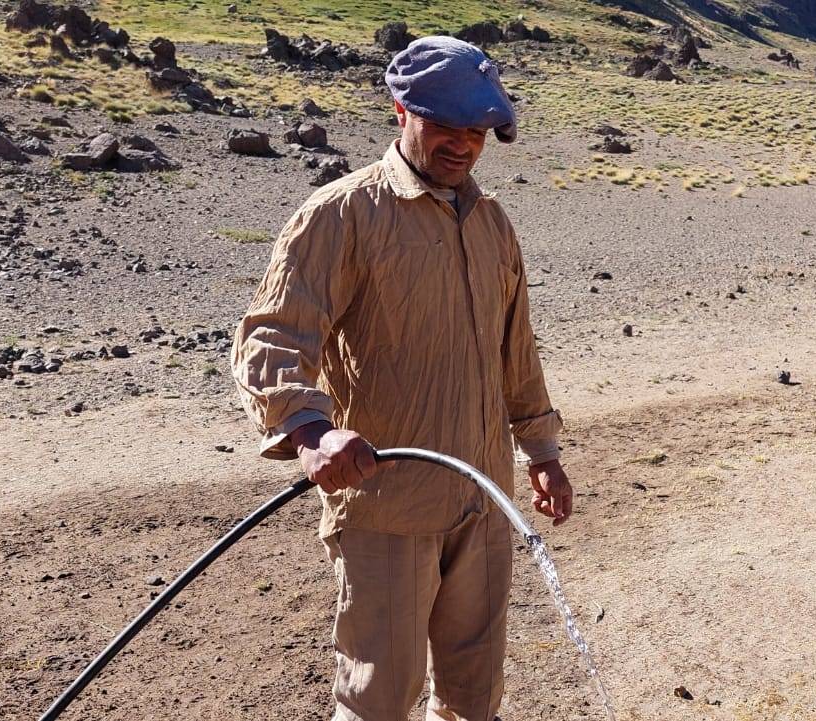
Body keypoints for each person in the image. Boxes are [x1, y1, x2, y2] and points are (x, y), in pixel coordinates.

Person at [231, 35, 573, 721]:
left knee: (473, 699)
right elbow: (271, 340)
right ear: (400, 109)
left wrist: (541, 453)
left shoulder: (493, 223)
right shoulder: (342, 215)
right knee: (377, 701)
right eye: (446, 125)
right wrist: (312, 434)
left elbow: (517, 354)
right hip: (387, 509)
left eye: (477, 130)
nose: (464, 144)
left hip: (483, 505)